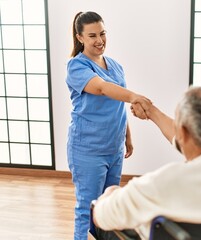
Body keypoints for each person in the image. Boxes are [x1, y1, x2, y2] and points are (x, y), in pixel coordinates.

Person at [92, 86, 201, 240]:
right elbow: (184, 138)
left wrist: (110, 192)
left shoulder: (163, 183)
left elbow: (102, 216)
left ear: (183, 132)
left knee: (100, 209)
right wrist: (151, 111)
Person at [66, 11, 151, 240]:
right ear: (80, 37)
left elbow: (117, 104)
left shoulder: (115, 65)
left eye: (102, 33)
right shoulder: (76, 66)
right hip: (88, 150)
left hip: (114, 148)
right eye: (92, 35)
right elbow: (102, 88)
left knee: (109, 207)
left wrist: (127, 135)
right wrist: (134, 96)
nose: (99, 40)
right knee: (87, 209)